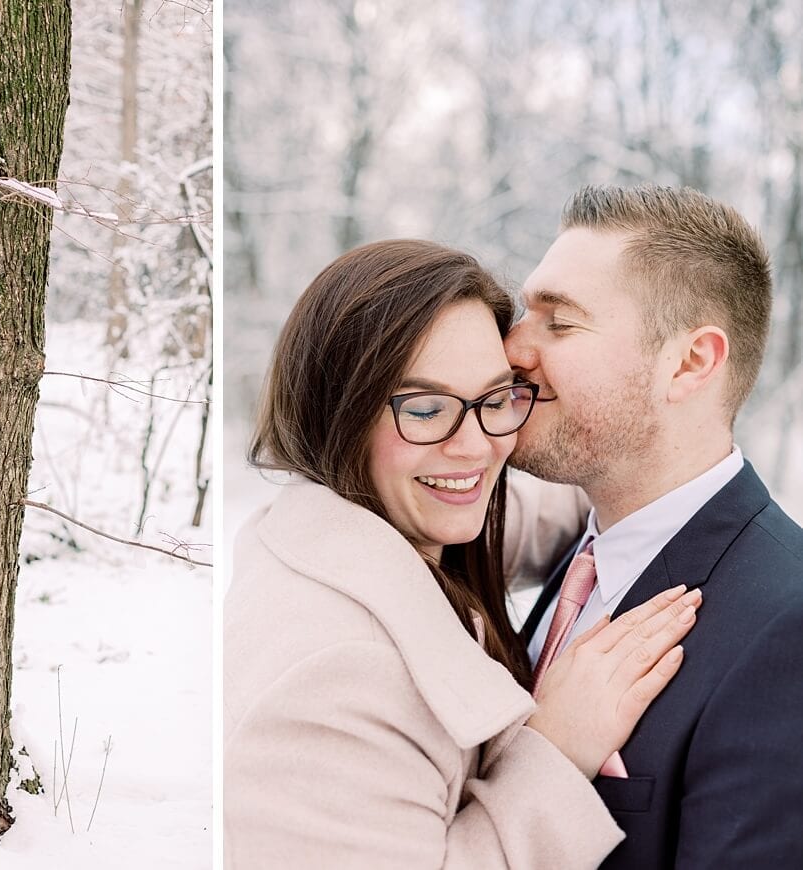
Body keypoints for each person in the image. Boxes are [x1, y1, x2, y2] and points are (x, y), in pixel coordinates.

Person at [224, 239, 700, 869]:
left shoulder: (374, 526)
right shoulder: (337, 672)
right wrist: (556, 751)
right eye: (425, 408)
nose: (475, 447)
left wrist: (651, 464)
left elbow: (530, 521)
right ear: (334, 410)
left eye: (496, 399)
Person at [508, 184, 803, 868]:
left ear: (690, 362)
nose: (514, 348)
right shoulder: (589, 556)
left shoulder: (786, 627)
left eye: (559, 322)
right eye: (526, 314)